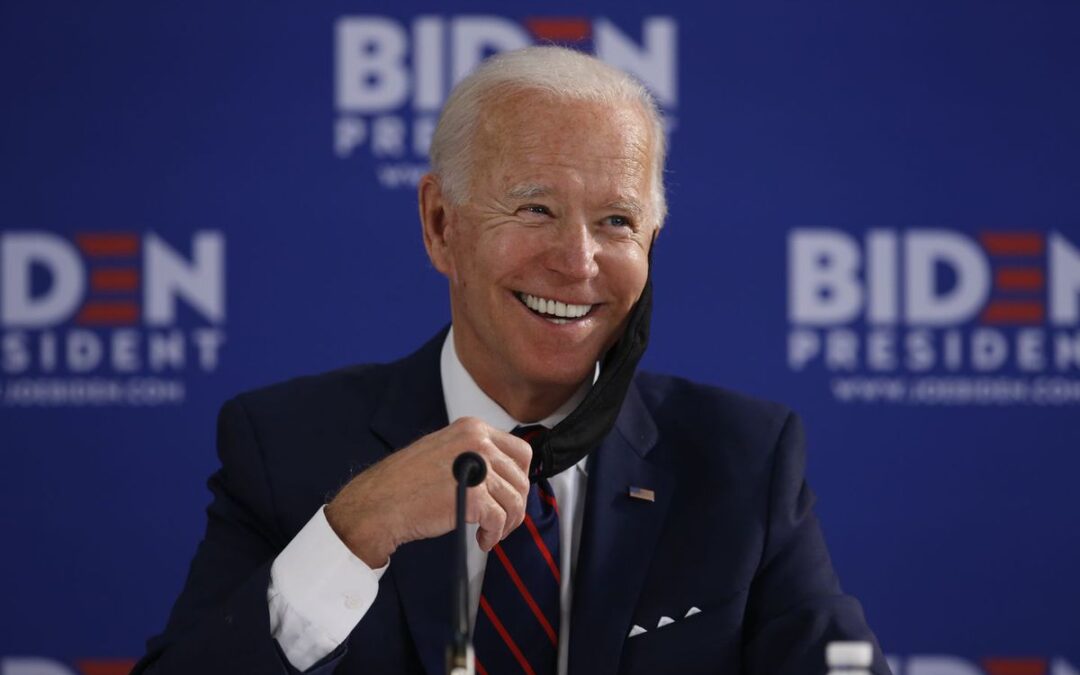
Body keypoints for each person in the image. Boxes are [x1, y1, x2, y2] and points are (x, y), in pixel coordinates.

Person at [134, 46, 891, 675]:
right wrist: (353, 533)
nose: (577, 260)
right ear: (440, 224)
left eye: (616, 221)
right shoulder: (285, 447)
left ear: (651, 246)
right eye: (536, 209)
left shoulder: (742, 461)